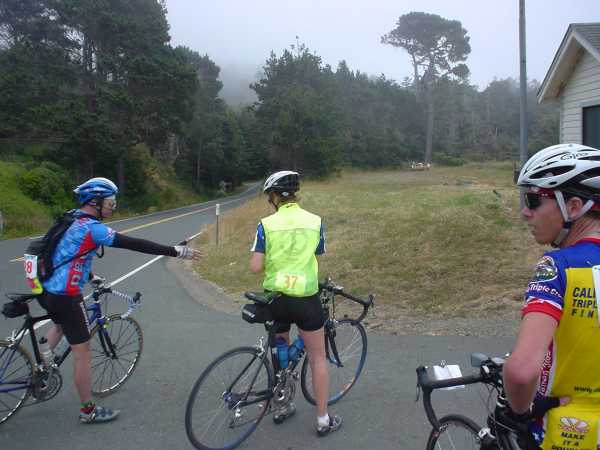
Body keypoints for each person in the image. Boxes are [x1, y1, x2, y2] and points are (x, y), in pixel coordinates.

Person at [38, 177, 200, 424]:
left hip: (47, 289)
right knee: (82, 353)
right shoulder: (93, 228)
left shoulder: (70, 218)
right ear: (95, 202)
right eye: (110, 201)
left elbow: (66, 252)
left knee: (60, 326)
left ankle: (41, 371)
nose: (113, 206)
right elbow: (134, 243)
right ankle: (88, 410)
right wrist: (174, 251)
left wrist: (90, 276)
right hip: (67, 297)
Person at [503, 144, 600, 449]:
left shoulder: (557, 267)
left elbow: (521, 372)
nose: (525, 212)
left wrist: (520, 410)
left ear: (574, 207)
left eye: (534, 200)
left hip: (569, 435)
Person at [249, 170, 342, 437]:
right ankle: (323, 420)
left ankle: (281, 406)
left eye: (270, 198)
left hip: (276, 300)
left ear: (276, 197)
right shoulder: (315, 221)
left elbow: (255, 266)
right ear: (295, 195)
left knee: (281, 349)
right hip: (305, 299)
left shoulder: (266, 225)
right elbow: (317, 252)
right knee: (317, 358)